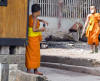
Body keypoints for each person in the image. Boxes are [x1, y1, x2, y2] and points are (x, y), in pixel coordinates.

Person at [25, 4, 48, 75]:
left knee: (29, 54)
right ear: (37, 11)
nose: (40, 12)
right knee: (36, 55)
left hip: (29, 38)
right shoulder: (35, 19)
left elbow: (36, 20)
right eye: (39, 11)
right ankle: (35, 70)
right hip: (34, 39)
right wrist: (41, 29)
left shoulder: (30, 17)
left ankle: (28, 70)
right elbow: (34, 29)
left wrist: (42, 20)